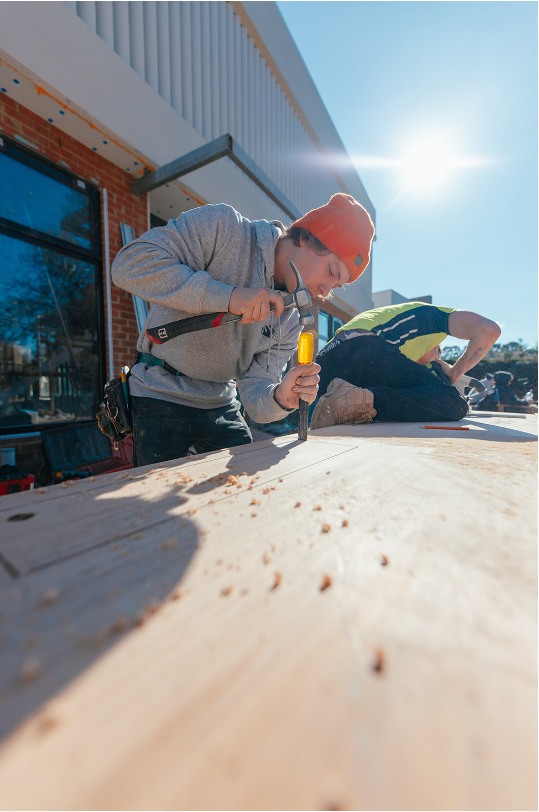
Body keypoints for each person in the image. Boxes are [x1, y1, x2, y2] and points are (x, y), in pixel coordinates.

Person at [111, 194, 375, 465]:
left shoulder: (290, 320)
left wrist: (279, 397)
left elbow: (255, 390)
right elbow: (129, 265)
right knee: (157, 501)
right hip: (160, 392)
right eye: (331, 271)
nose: (325, 291)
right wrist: (228, 296)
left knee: (248, 488)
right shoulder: (223, 228)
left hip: (221, 402)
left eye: (336, 287)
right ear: (305, 237)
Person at [310, 301, 501, 428]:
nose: (436, 360)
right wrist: (454, 373)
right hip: (363, 346)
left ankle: (339, 406)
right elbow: (489, 330)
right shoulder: (435, 316)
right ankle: (348, 402)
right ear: (435, 345)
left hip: (326, 363)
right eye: (437, 353)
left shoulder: (394, 334)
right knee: (453, 404)